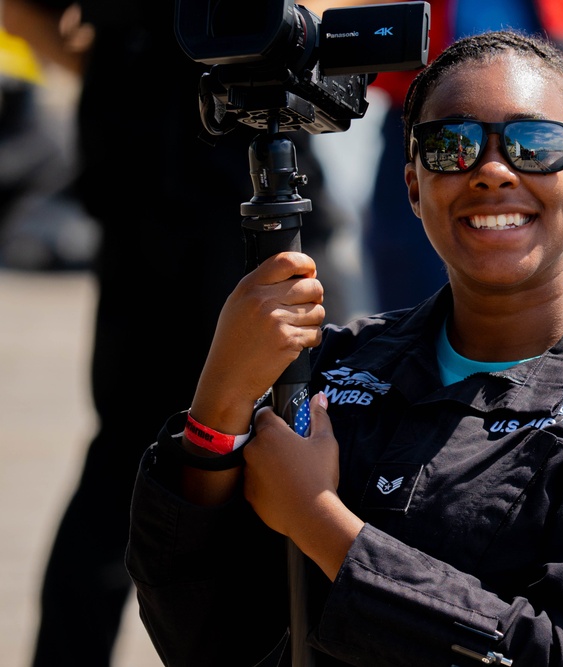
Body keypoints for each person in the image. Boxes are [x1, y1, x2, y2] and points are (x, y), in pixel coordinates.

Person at [125, 30, 563, 666]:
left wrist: (320, 522)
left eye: (535, 146)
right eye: (453, 147)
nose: (493, 171)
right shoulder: (332, 374)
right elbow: (206, 640)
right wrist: (218, 406)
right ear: (415, 187)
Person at [1, 1, 349, 665]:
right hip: (231, 178)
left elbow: (23, 15)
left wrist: (119, 57)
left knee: (124, 457)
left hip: (144, 165)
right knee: (305, 429)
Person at [319, 0, 563, 312]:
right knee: (409, 330)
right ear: (413, 188)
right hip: (430, 133)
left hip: (549, 138)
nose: (495, 171)